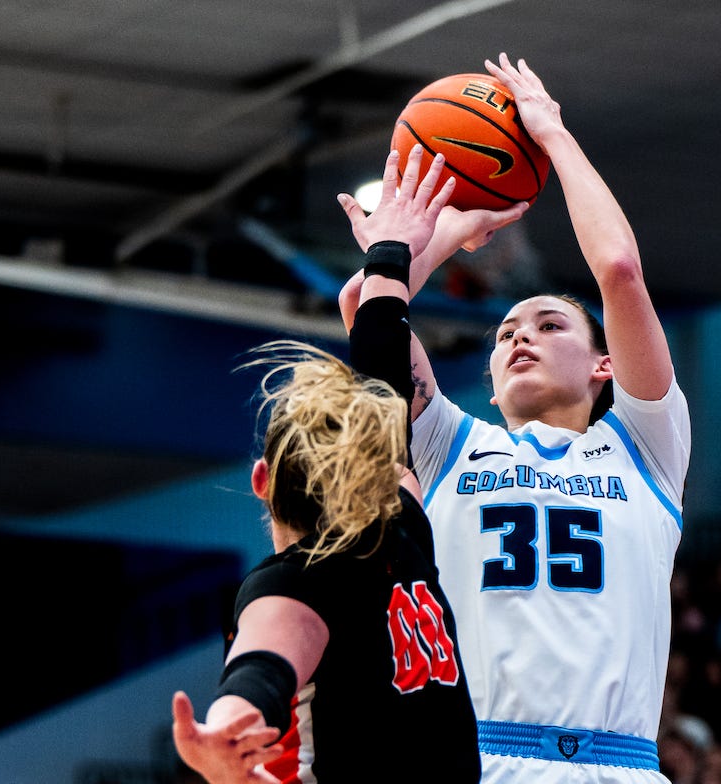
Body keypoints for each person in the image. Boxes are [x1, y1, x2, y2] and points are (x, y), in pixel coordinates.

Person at [338, 53, 691, 782]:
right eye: (504, 334)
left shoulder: (646, 447)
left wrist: (552, 134)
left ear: (604, 366)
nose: (520, 337)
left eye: (550, 325)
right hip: (478, 759)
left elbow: (619, 269)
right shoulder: (449, 445)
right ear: (492, 387)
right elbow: (365, 310)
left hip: (621, 764)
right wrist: (447, 231)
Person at [171, 145, 495, 783]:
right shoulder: (403, 529)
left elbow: (261, 671)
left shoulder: (293, 583)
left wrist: (222, 730)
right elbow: (383, 371)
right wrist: (391, 253)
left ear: (262, 480)